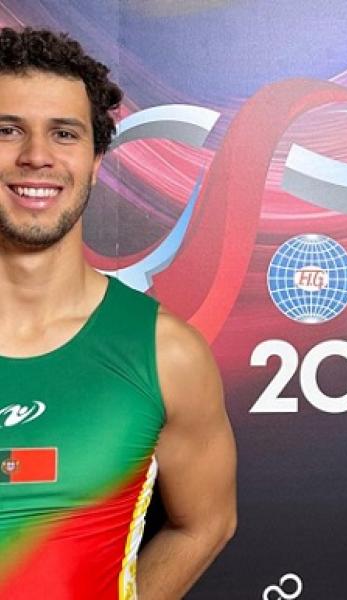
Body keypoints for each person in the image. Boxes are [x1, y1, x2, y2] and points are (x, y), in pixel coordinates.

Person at [0, 27, 237, 599]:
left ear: (95, 160)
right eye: (7, 130)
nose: (36, 156)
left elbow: (206, 523)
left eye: (64, 133)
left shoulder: (165, 353)